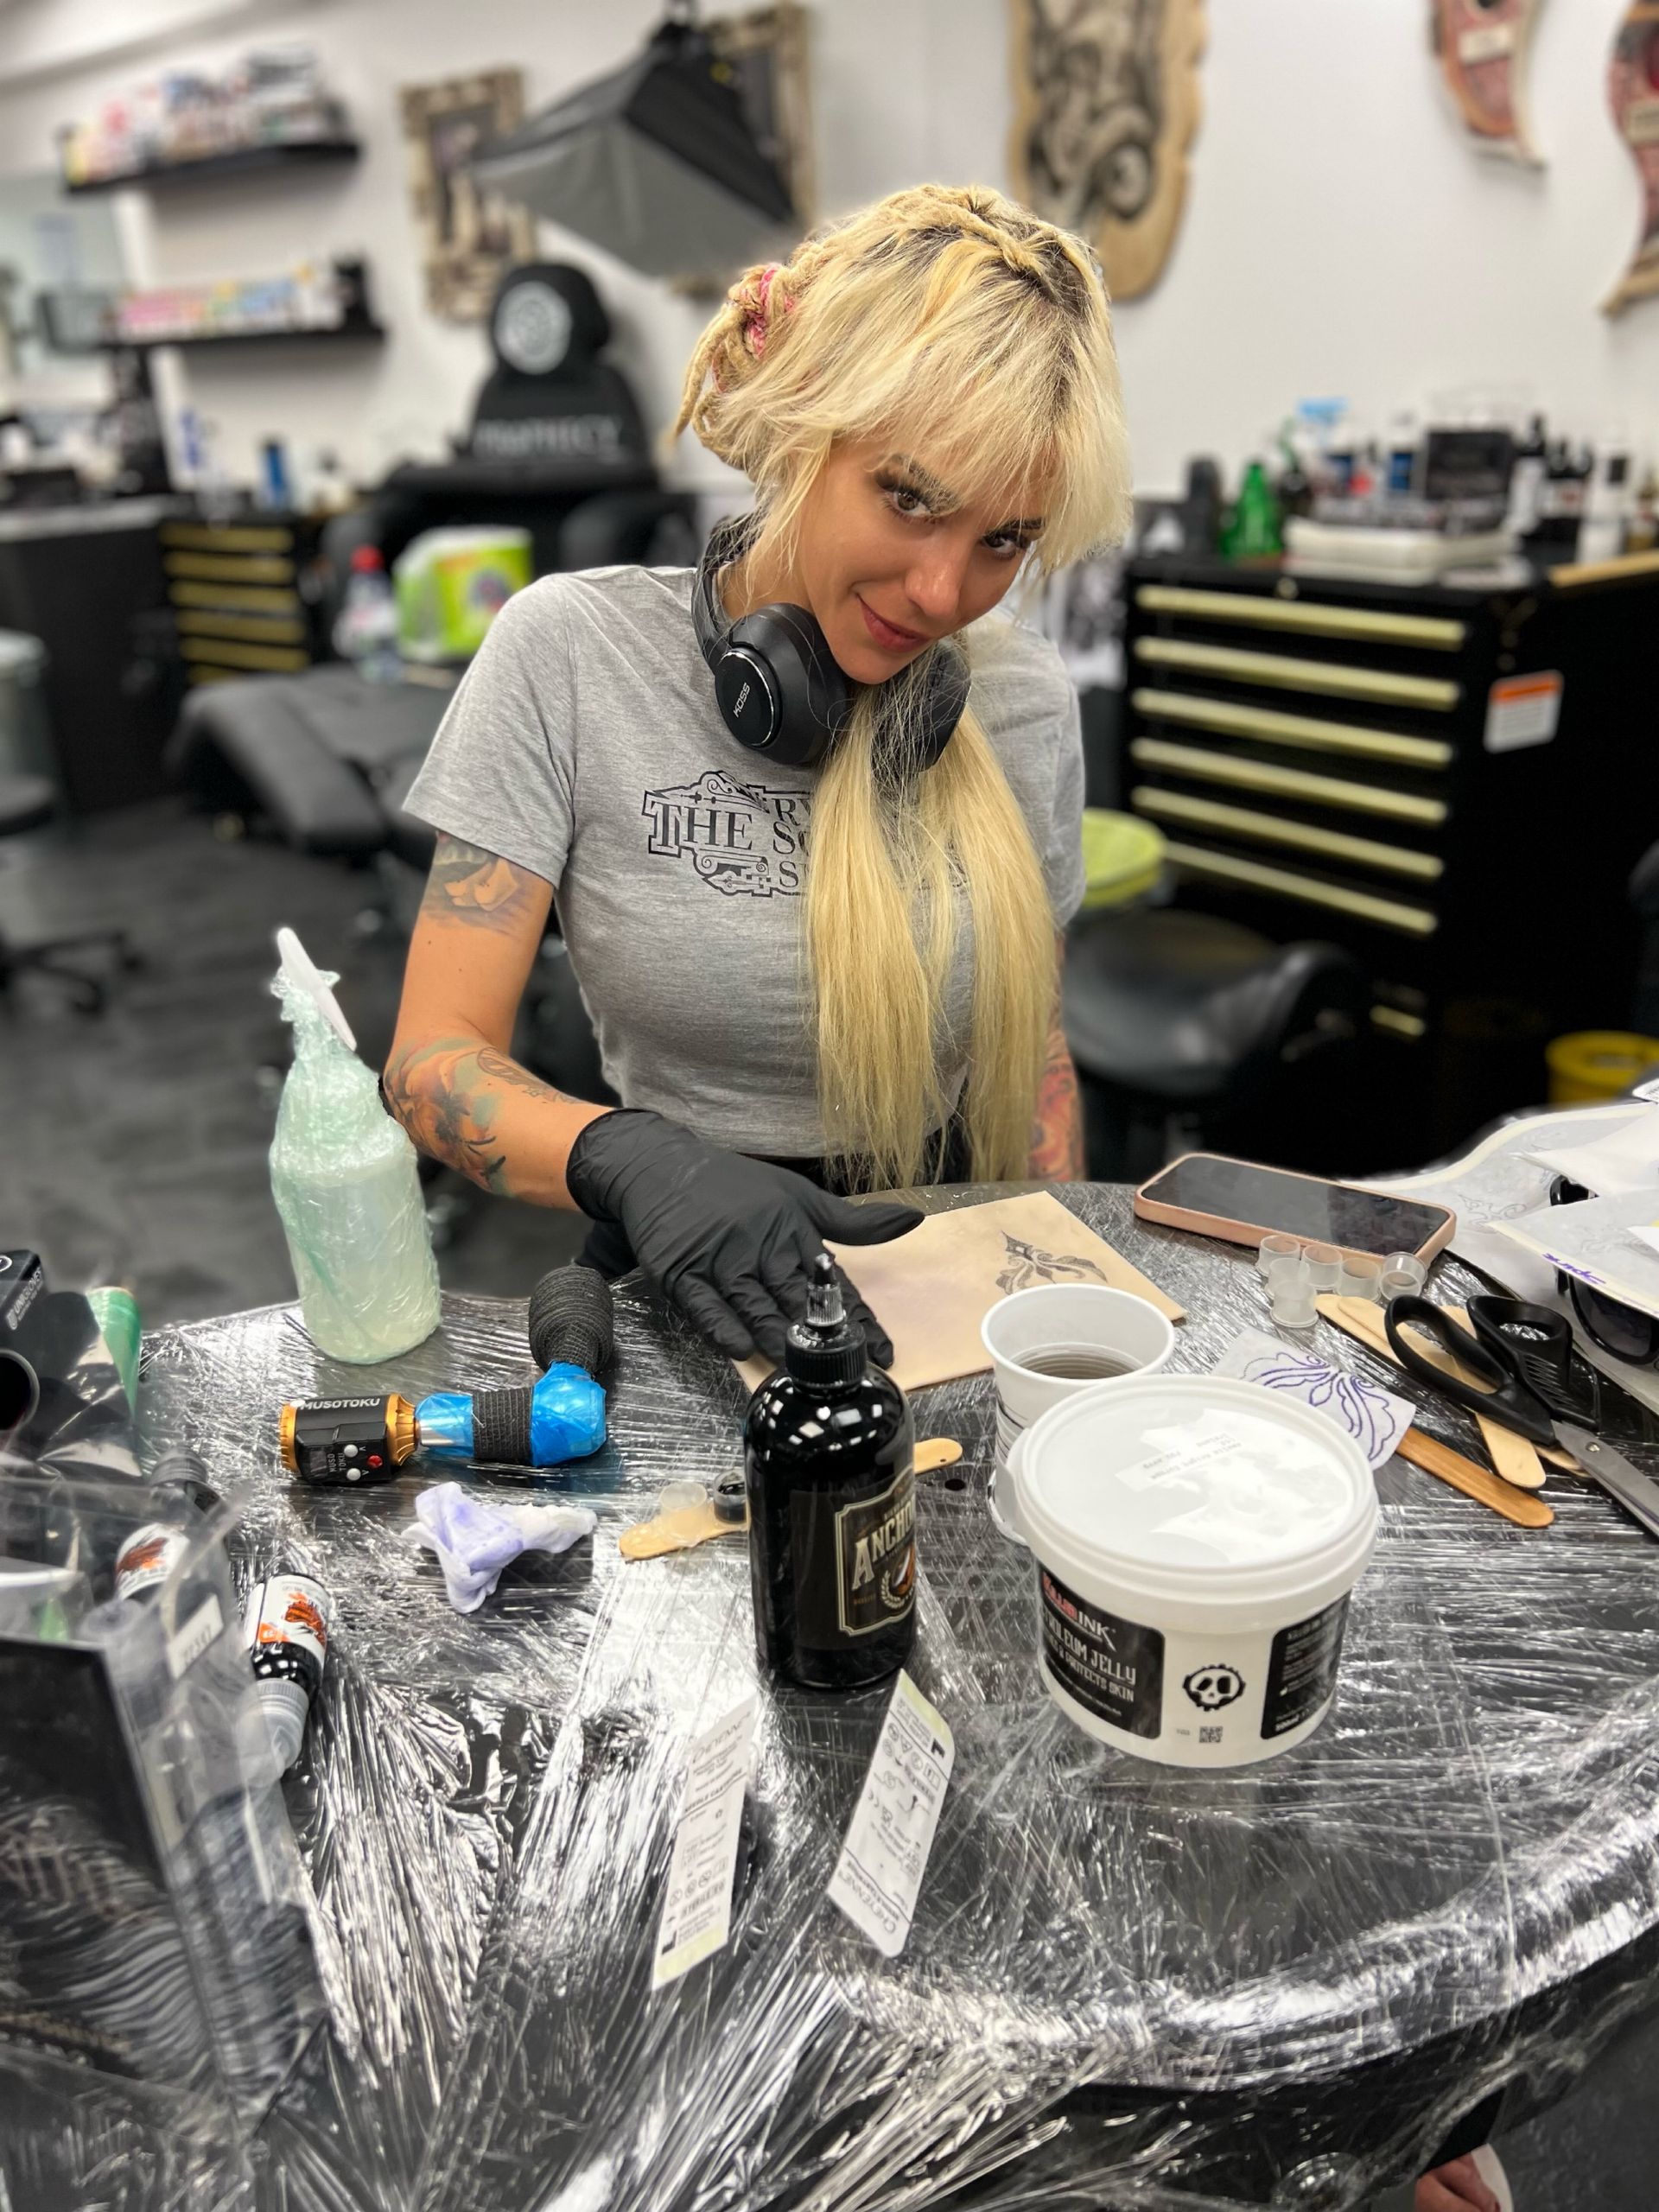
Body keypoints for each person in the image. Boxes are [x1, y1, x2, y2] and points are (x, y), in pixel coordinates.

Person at [385, 182, 1131, 1364]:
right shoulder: (569, 655)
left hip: (943, 1270)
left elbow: (1032, 1045)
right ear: (797, 429)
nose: (944, 593)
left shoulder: (1022, 700)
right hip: (683, 1265)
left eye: (1003, 540)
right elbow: (432, 1062)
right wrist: (624, 1159)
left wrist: (1060, 1294)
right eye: (909, 498)